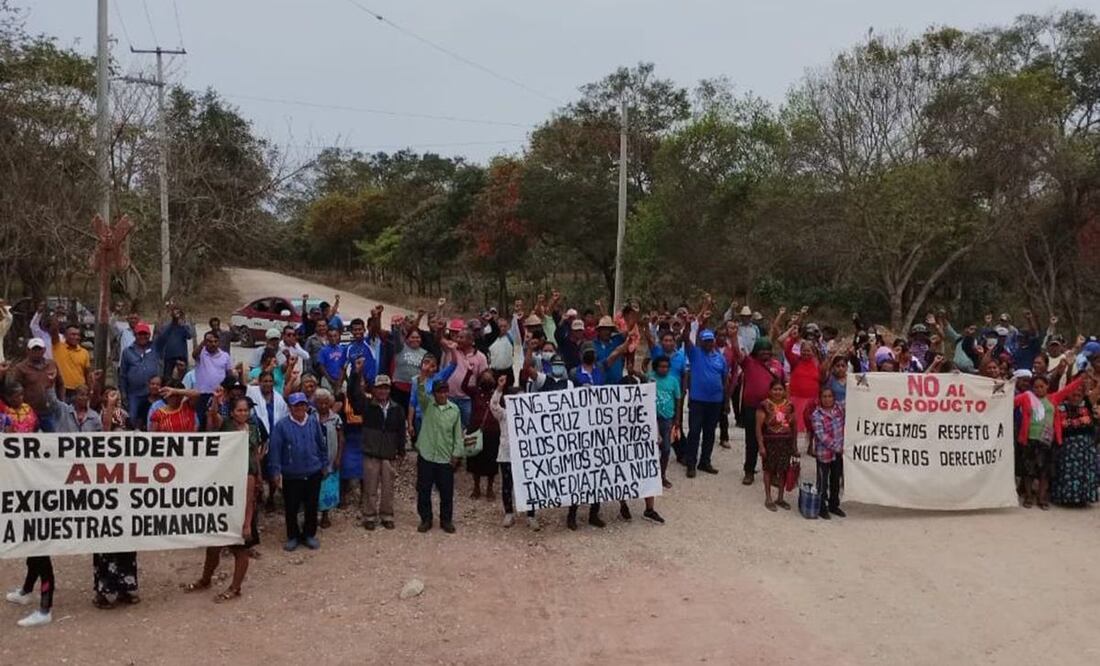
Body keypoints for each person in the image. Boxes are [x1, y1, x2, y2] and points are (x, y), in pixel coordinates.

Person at [184, 395, 261, 602]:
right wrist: (216, 402)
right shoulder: (226, 425)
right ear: (232, 411)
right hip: (225, 485)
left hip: (245, 480)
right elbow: (213, 416)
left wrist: (246, 522)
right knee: (213, 544)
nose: (243, 413)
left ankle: (235, 587)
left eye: (246, 410)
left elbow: (254, 455)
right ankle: (205, 579)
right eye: (239, 410)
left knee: (240, 547)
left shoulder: (253, 429)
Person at [3, 388, 53, 626]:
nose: (20, 398)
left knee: (39, 548)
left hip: (32, 484)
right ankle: (26, 591)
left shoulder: (28, 416)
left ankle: (45, 609)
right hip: (16, 486)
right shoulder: (5, 416)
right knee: (31, 547)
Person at [1013, 375, 1085, 509]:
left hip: (1047, 441)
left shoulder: (1053, 398)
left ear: (1047, 386)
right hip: (1030, 439)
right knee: (1028, 471)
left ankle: (1041, 498)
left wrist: (1082, 378)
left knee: (1045, 472)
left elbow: (1068, 389)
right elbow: (1009, 403)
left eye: (1041, 386)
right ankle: (1028, 497)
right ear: (1032, 388)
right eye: (1035, 387)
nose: (1038, 389)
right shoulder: (1026, 397)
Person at [268, 392, 328, 551]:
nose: (300, 408)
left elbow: (321, 444)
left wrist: (324, 464)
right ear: (290, 407)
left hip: (313, 472)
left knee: (311, 506)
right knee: (291, 507)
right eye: (296, 405)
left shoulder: (313, 422)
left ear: (307, 406)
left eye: (303, 404)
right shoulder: (281, 426)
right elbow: (275, 450)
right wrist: (275, 472)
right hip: (291, 475)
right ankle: (293, 536)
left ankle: (309, 534)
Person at [350, 373, 406, 530]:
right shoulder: (366, 405)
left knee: (388, 488)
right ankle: (369, 516)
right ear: (374, 389)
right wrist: (356, 374)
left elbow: (401, 431)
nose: (382, 391)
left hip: (389, 453)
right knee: (370, 487)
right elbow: (353, 395)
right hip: (371, 452)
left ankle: (387, 515)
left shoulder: (397, 409)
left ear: (389, 390)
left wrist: (401, 450)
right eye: (379, 388)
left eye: (385, 388)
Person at [415, 365, 464, 534]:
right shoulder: (428, 405)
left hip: (444, 457)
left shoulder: (455, 410)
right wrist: (422, 377)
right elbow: (420, 393)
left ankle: (446, 520)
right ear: (434, 393)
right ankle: (426, 519)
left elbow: (458, 434)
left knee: (446, 492)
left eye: (445, 391)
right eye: (439, 392)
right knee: (423, 489)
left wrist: (457, 454)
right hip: (427, 454)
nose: (442, 395)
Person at [490, 374, 539, 530]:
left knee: (530, 485)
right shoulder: (503, 414)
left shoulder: (531, 416)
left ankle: (531, 516)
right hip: (507, 456)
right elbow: (493, 405)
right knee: (507, 485)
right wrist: (499, 388)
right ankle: (509, 513)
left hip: (526, 456)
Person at [681, 324, 729, 478]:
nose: (708, 343)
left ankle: (705, 461)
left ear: (714, 341)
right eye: (705, 341)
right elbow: (685, 338)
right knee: (694, 432)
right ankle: (691, 463)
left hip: (715, 402)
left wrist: (726, 401)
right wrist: (688, 325)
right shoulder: (695, 353)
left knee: (709, 432)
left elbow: (725, 380)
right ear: (701, 342)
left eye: (710, 341)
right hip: (698, 401)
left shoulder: (721, 358)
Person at [737, 337, 785, 486]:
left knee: (773, 441)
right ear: (756, 351)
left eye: (768, 350)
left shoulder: (777, 366)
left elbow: (783, 385)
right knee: (751, 441)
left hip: (772, 408)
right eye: (762, 349)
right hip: (752, 408)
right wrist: (733, 337)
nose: (765, 352)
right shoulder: (749, 363)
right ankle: (749, 472)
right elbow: (737, 353)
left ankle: (773, 473)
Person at [1050, 378, 1099, 506]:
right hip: (1067, 447)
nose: (1076, 396)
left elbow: (1097, 390)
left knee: (1084, 473)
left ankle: (1082, 498)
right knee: (1067, 473)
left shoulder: (1087, 404)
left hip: (1085, 448)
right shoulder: (1059, 406)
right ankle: (1066, 498)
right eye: (1073, 393)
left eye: (1079, 394)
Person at [0, 338, 62, 431]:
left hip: (50, 411)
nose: (37, 352)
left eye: (39, 349)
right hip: (29, 412)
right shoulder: (20, 368)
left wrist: (61, 401)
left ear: (44, 350)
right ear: (28, 350)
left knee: (54, 437)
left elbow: (60, 383)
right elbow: (13, 389)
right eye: (34, 349)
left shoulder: (52, 364)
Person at [757, 379, 796, 512]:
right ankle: (768, 497)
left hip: (785, 441)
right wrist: (761, 446)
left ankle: (780, 497)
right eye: (775, 389)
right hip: (770, 441)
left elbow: (794, 425)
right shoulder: (764, 405)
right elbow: (758, 427)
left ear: (784, 391)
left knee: (783, 470)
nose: (778, 392)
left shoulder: (789, 405)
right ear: (770, 391)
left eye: (780, 389)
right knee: (768, 469)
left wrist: (794, 445)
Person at [464, 367, 501, 500]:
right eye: (484, 377)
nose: (487, 379)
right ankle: (476, 487)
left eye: (490, 377)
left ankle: (490, 488)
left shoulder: (497, 394)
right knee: (475, 460)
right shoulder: (475, 393)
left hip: (493, 432)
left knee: (492, 461)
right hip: (476, 430)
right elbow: (464, 386)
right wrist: (469, 372)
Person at [810, 386, 847, 519]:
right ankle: (822, 507)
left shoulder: (839, 409)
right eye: (824, 396)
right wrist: (837, 446)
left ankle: (834, 505)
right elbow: (821, 435)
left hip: (838, 454)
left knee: (835, 480)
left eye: (829, 396)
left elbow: (855, 400)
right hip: (824, 454)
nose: (827, 399)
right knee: (822, 481)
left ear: (834, 397)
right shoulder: (816, 415)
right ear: (820, 399)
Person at [649, 355, 682, 489]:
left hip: (667, 419)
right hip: (652, 418)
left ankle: (662, 475)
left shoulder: (673, 381)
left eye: (666, 367)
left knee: (666, 449)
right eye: (661, 366)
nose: (664, 369)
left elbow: (678, 399)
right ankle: (651, 476)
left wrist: (677, 419)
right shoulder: (650, 378)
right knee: (651, 449)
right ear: (656, 367)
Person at [119, 323, 160, 421]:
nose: (142, 336)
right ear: (135, 335)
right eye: (139, 334)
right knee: (132, 418)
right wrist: (123, 394)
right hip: (134, 393)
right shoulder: (127, 351)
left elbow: (164, 335)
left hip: (153, 393)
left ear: (149, 335)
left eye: (145, 334)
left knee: (155, 418)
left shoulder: (155, 348)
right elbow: (123, 374)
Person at [192, 330, 234, 427]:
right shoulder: (201, 353)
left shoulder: (225, 356)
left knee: (217, 421)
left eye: (215, 341)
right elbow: (194, 355)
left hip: (219, 395)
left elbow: (229, 374)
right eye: (210, 342)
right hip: (202, 395)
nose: (213, 344)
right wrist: (203, 342)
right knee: (201, 421)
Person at [391, 321, 428, 409]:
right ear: (407, 338)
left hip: (415, 390)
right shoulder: (400, 348)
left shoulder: (425, 353)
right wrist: (397, 328)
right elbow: (396, 338)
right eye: (412, 337)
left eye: (417, 337)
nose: (415, 339)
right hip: (398, 388)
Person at [51, 324, 91, 401]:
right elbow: (54, 330)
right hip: (62, 390)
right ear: (65, 336)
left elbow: (87, 373)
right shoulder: (58, 346)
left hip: (79, 391)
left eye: (78, 335)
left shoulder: (84, 352)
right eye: (73, 334)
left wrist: (90, 390)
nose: (76, 337)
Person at [154, 302, 194, 376]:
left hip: (181, 357)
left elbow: (190, 336)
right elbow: (162, 337)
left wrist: (182, 325)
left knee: (182, 380)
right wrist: (172, 323)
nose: (176, 314)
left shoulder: (185, 325)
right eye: (174, 312)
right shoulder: (166, 325)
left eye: (178, 312)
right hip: (169, 357)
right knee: (167, 379)